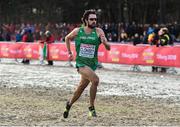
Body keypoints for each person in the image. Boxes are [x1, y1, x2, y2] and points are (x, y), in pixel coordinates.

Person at [63, 9, 110, 118]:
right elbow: (67, 38)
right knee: (95, 80)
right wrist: (69, 52)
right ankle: (91, 107)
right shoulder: (78, 31)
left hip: (92, 64)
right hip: (81, 64)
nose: (94, 21)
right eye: (91, 19)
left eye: (95, 19)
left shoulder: (99, 31)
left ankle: (69, 104)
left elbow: (107, 45)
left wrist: (105, 42)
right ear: (85, 20)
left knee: (80, 89)